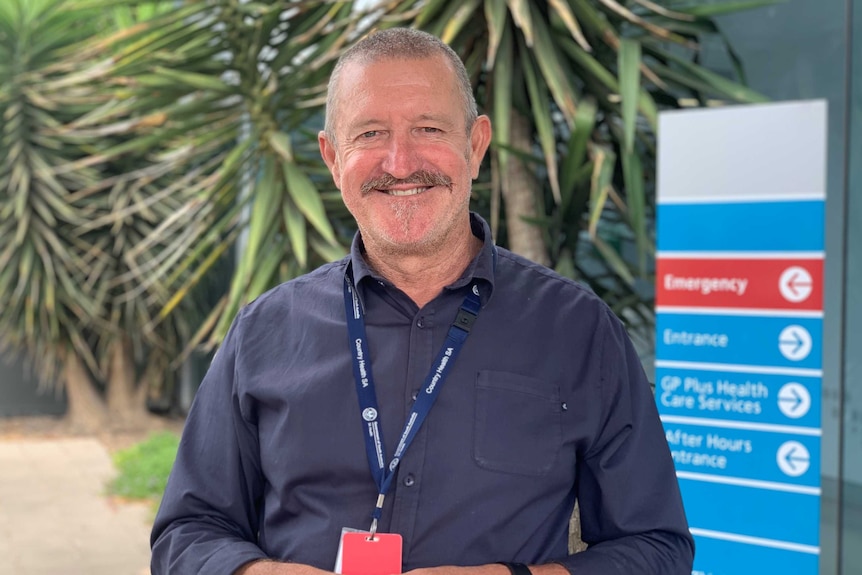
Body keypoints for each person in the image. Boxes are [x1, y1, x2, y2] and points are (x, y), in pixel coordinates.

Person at [150, 27, 693, 575]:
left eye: (428, 129)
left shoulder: (577, 329)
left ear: (475, 146)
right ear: (333, 158)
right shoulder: (264, 332)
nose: (401, 163)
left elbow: (655, 546)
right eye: (370, 134)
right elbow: (186, 533)